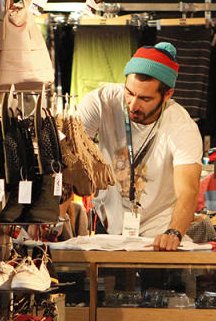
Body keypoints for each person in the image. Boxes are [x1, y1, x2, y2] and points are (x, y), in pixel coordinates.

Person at [76, 42, 203, 251]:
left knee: (158, 284)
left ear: (167, 95)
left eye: (145, 98)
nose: (133, 105)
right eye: (129, 92)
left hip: (159, 232)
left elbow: (188, 190)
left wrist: (174, 232)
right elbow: (70, 153)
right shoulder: (101, 102)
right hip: (108, 223)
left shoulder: (182, 127)